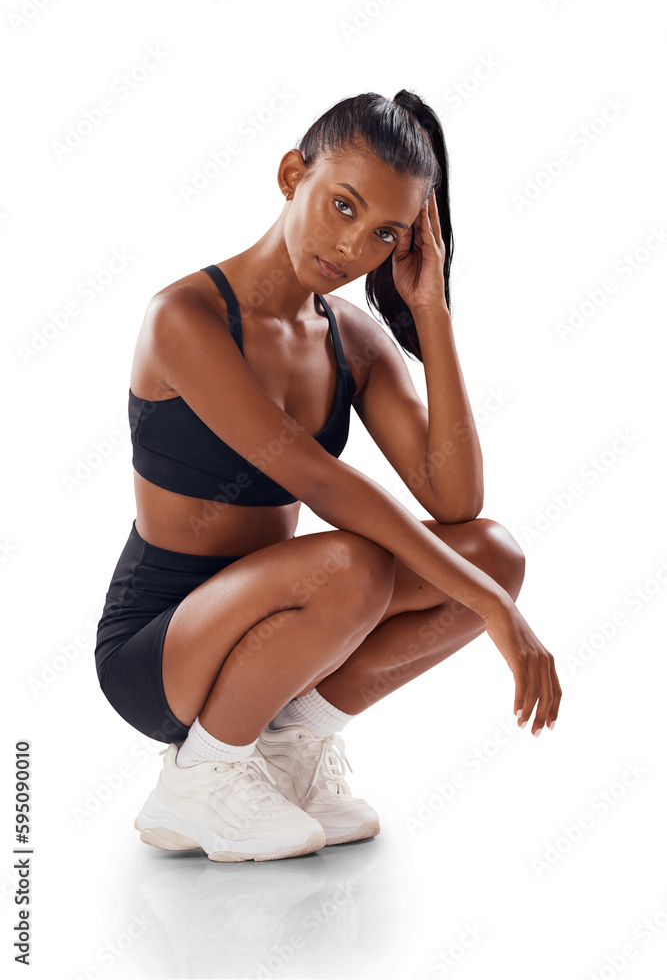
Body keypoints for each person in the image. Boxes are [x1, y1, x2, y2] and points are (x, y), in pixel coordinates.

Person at [95, 89, 562, 863]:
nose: (353, 248)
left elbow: (454, 499)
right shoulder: (184, 318)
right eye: (341, 207)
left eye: (384, 232)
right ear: (291, 175)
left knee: (495, 554)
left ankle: (283, 750)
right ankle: (201, 776)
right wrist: (493, 614)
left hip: (281, 617)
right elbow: (320, 483)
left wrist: (430, 307)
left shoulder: (351, 338)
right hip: (161, 646)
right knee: (352, 565)